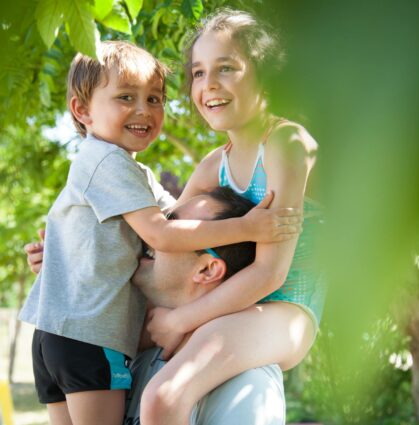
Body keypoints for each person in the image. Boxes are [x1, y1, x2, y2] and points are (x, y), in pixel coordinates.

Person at [18, 40, 300, 425]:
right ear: (82, 110)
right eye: (126, 97)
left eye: (155, 99)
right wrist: (247, 227)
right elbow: (163, 235)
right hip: (89, 337)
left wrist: (63, 258)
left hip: (57, 333)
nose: (143, 110)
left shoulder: (133, 174)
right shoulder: (106, 162)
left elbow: (172, 216)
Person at [140, 9, 325, 425]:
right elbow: (166, 238)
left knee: (164, 398)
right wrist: (64, 252)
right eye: (199, 73)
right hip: (227, 306)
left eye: (227, 68)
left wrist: (179, 321)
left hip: (284, 310)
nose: (209, 85)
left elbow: (269, 274)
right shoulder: (212, 167)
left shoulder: (286, 143)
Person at [26, 187, 286, 425]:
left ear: (207, 269)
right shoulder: (138, 354)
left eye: (171, 225)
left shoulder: (246, 387)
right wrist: (72, 273)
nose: (149, 232)